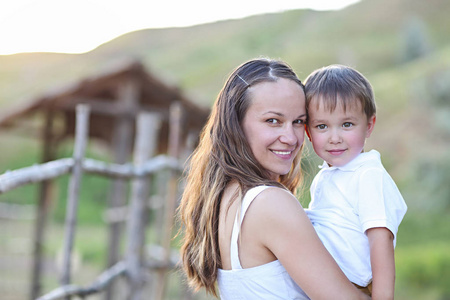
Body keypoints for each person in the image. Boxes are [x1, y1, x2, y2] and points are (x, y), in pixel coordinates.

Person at [178, 58, 370, 299]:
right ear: (235, 124)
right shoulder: (270, 203)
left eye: (298, 122)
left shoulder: (226, 197)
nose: (290, 137)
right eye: (273, 121)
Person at [304, 64, 408, 299]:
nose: (335, 137)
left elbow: (381, 243)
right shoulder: (327, 176)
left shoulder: (367, 175)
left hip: (355, 287)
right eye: (322, 126)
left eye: (347, 124)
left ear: (369, 125)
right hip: (328, 282)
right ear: (308, 133)